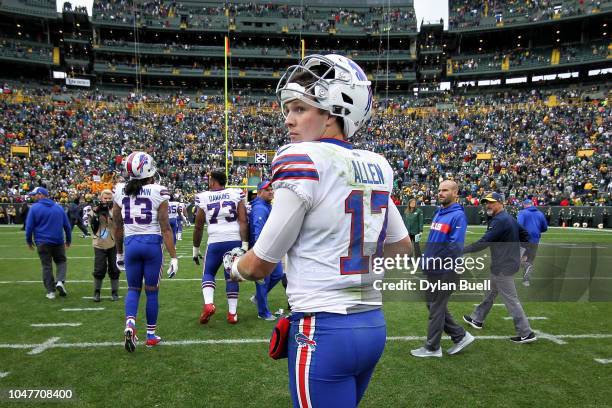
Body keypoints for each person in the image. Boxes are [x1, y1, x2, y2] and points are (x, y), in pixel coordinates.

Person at [225, 54, 412, 407]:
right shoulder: (377, 165)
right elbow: (402, 247)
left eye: (300, 108)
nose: (288, 119)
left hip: (322, 330)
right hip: (372, 324)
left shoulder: (301, 157)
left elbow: (260, 264)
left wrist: (233, 265)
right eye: (288, 109)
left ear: (332, 112)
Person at [112, 152, 178, 352]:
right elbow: (166, 228)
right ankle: (150, 335)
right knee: (152, 292)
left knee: (133, 289)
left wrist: (119, 253)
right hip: (152, 245)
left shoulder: (118, 190)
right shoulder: (159, 191)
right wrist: (174, 257)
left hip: (131, 244)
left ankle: (130, 324)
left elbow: (117, 226)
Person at [410, 180, 474, 358]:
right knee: (433, 304)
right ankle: (460, 336)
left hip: (446, 270)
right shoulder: (440, 212)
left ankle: (432, 347)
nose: (440, 193)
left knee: (436, 307)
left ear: (455, 193)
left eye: (445, 190)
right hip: (433, 268)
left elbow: (454, 246)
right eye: (439, 190)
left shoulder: (458, 216)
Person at [463, 192, 536, 344]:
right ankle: (477, 319)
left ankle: (526, 332)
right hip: (502, 264)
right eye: (486, 203)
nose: (487, 205)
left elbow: (484, 242)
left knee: (511, 300)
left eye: (491, 202)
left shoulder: (500, 220)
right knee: (490, 293)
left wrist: (461, 250)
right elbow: (526, 236)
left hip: (504, 266)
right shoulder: (507, 218)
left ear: (500, 203)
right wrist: (523, 254)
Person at [192, 170, 249, 325]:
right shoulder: (236, 193)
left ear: (212, 181)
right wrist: (244, 244)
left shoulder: (203, 197)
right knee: (232, 276)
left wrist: (195, 250)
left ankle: (209, 304)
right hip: (234, 239)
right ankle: (232, 314)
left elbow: (198, 226)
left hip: (215, 240)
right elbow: (243, 221)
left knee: (208, 273)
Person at [25, 187, 72, 299]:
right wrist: (69, 240)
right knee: (61, 261)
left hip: (42, 242)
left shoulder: (34, 208)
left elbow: (29, 227)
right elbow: (67, 226)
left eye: (34, 194)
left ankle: (51, 291)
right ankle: (60, 281)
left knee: (46, 266)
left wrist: (28, 241)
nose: (33, 196)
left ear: (41, 194)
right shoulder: (59, 207)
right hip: (58, 241)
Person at [249, 180, 285, 321]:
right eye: (267, 189)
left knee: (278, 274)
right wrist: (261, 254)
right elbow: (258, 232)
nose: (271, 191)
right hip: (263, 250)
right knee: (263, 280)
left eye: (271, 189)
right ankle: (263, 312)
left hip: (271, 248)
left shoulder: (266, 205)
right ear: (259, 193)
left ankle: (258, 298)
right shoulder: (260, 208)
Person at [89, 189, 120, 302]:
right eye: (105, 198)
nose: (107, 200)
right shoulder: (95, 209)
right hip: (99, 243)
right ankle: (97, 292)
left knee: (114, 269)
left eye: (109, 198)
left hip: (113, 243)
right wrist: (97, 214)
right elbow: (92, 227)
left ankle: (114, 292)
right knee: (99, 269)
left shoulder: (116, 209)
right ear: (101, 198)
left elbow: (120, 224)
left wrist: (110, 213)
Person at [517, 199, 548, 286]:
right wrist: (536, 230)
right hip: (535, 240)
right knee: (530, 259)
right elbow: (545, 228)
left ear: (524, 205)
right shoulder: (540, 214)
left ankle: (525, 265)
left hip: (524, 240)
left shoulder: (522, 212)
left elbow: (519, 226)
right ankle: (526, 280)